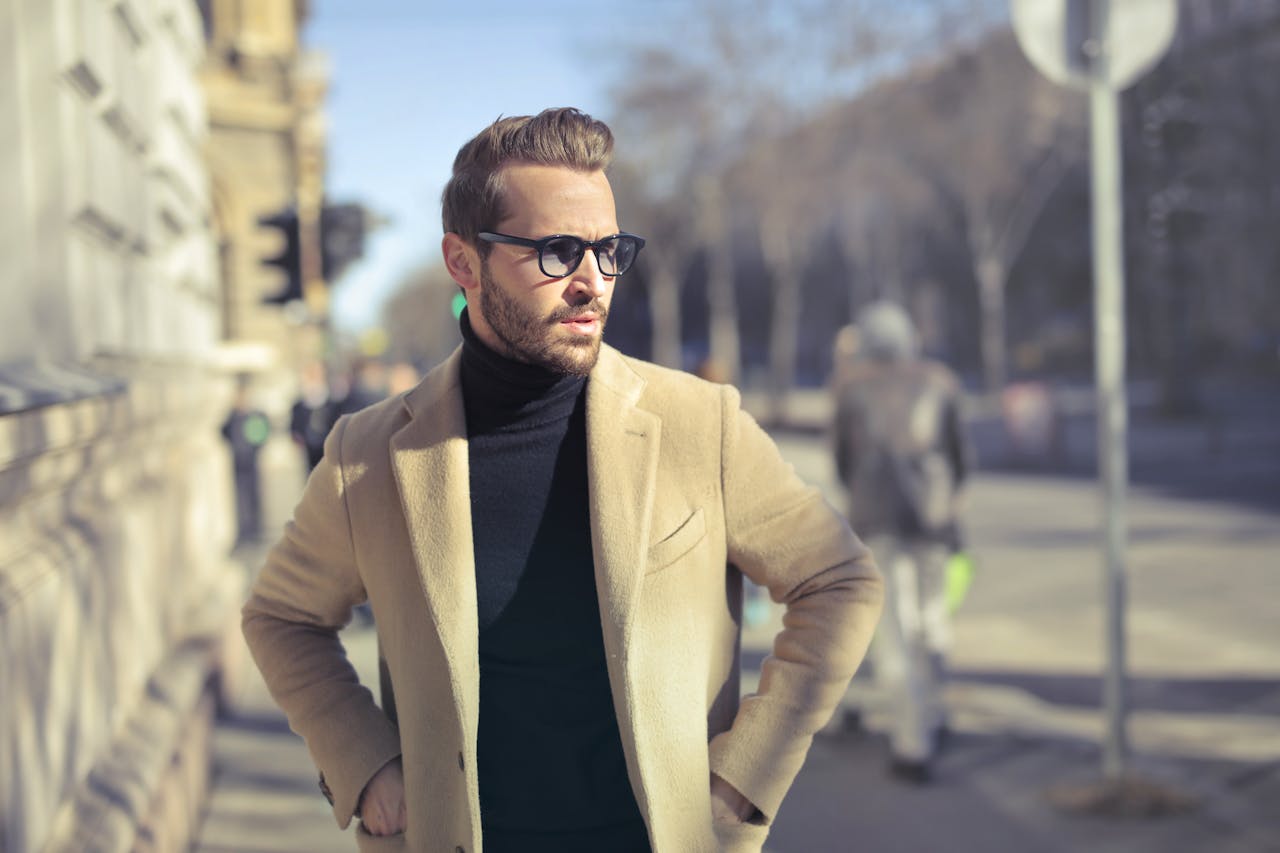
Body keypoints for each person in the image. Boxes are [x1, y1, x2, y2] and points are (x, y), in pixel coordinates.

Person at [242, 107, 883, 853]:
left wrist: (748, 772)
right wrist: (363, 761)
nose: (593, 281)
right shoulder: (371, 453)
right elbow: (281, 618)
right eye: (557, 251)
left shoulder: (697, 423)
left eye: (609, 250)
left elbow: (838, 581)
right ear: (463, 262)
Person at [832, 300, 973, 784]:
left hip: (877, 523)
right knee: (932, 621)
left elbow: (843, 462)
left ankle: (912, 743)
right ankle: (935, 714)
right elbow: (959, 459)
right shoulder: (942, 383)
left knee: (893, 630)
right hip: (934, 522)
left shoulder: (853, 389)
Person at [221, 378, 271, 545]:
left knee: (254, 495)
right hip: (237, 462)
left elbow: (264, 432)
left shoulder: (255, 414)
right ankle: (244, 530)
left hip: (251, 461)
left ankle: (256, 529)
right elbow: (224, 432)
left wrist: (257, 448)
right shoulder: (232, 415)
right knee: (239, 497)